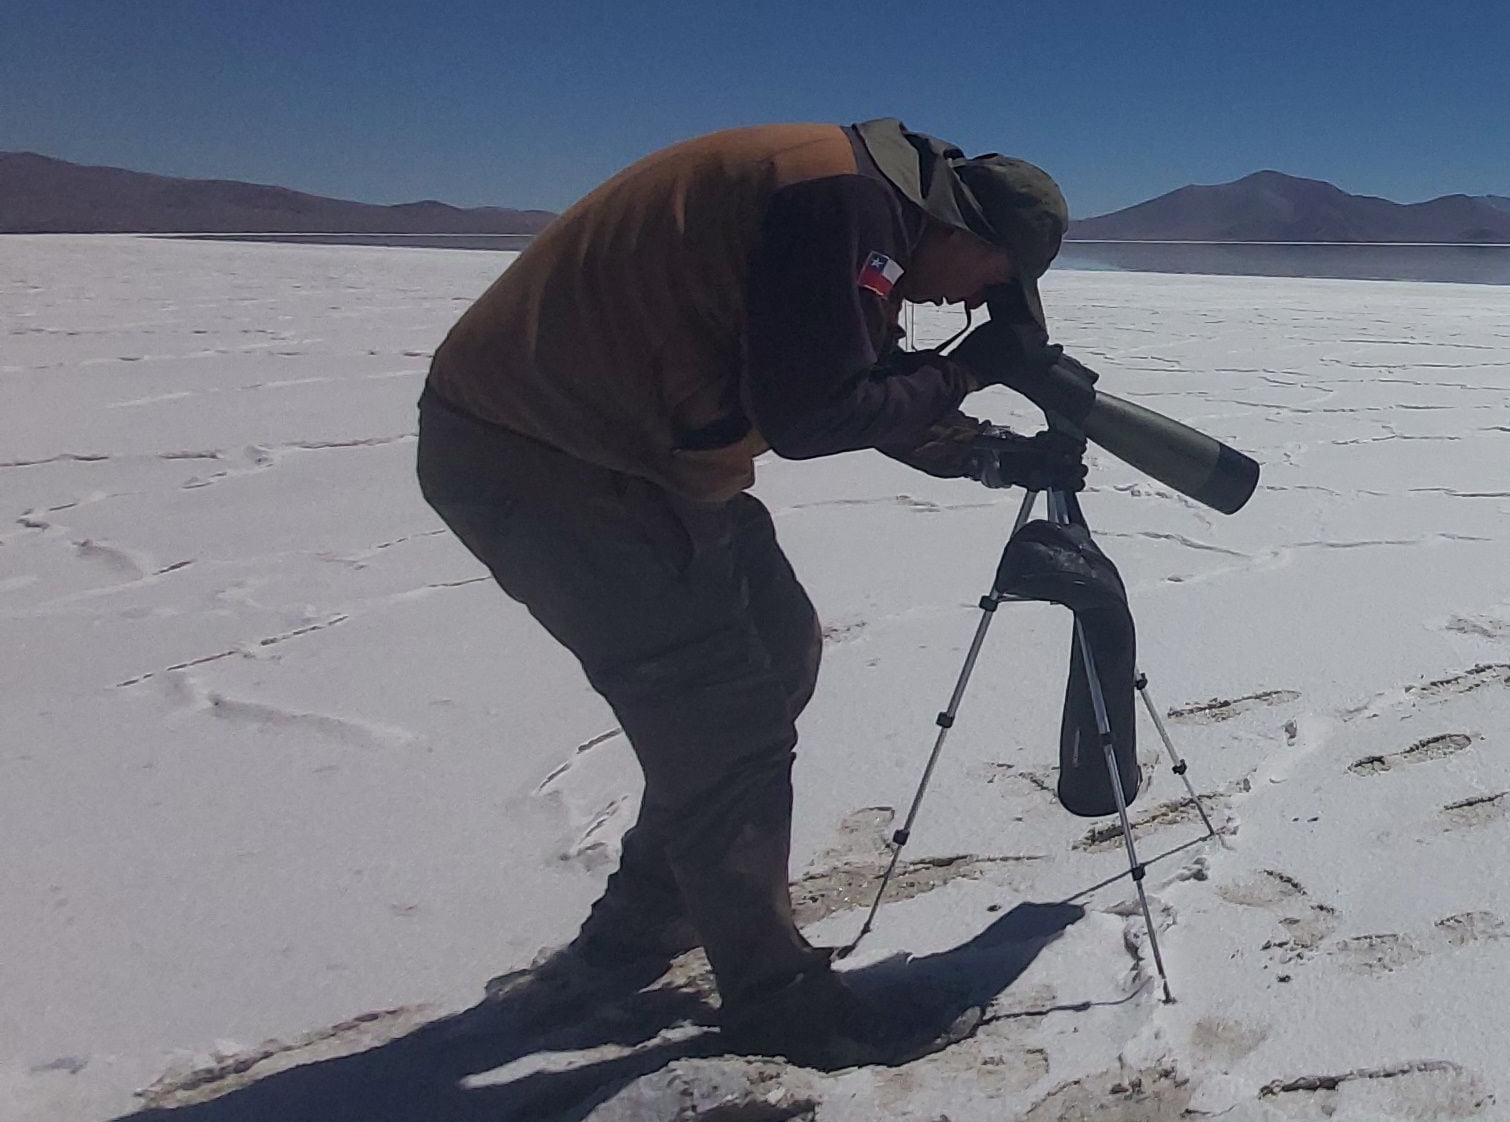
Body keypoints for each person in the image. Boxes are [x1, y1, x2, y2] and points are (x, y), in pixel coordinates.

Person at [417, 118, 1071, 1066]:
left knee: (778, 646)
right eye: (997, 280)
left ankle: (655, 911)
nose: (983, 300)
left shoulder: (861, 205)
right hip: (550, 462)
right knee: (722, 714)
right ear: (963, 229)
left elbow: (835, 373)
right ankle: (779, 1001)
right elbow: (812, 414)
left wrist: (982, 449)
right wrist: (971, 367)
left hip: (647, 459)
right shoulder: (841, 202)